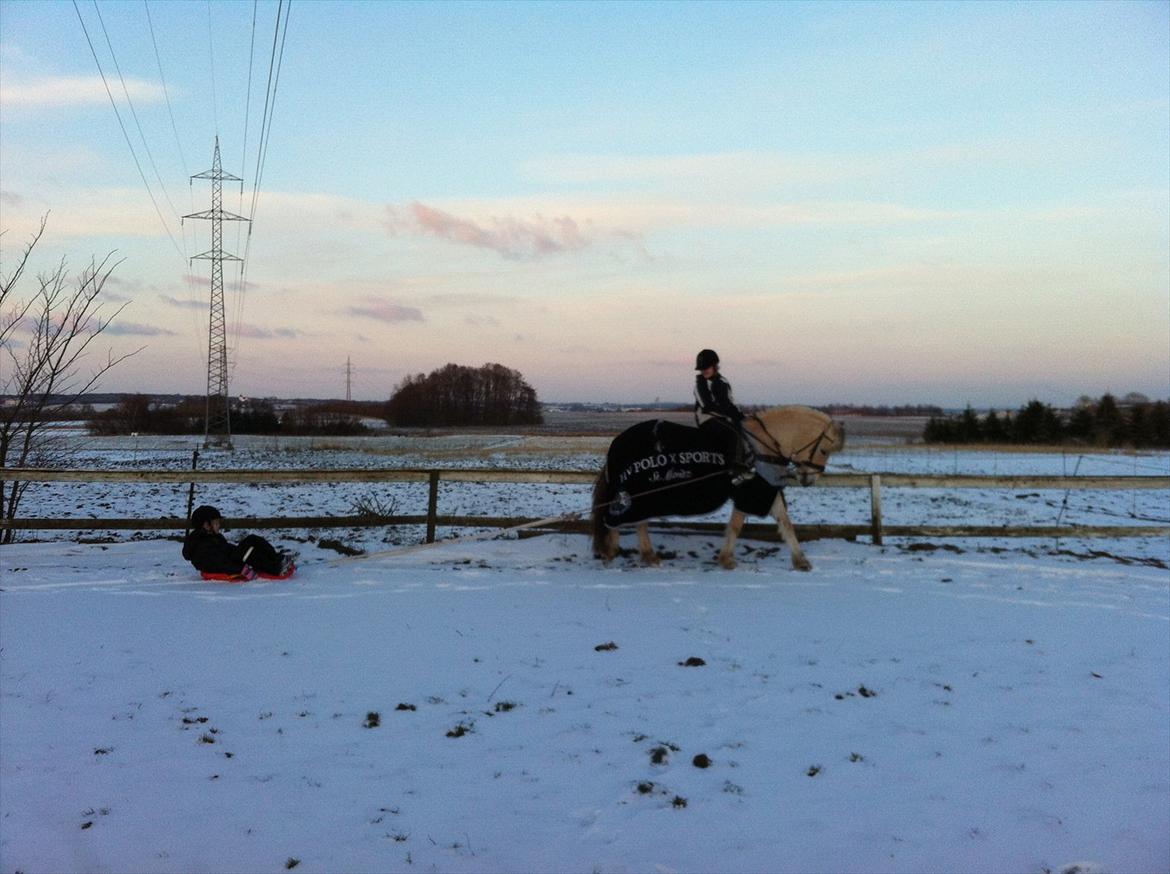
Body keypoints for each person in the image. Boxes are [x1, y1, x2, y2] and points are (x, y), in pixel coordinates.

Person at [693, 349, 755, 483]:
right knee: (733, 432)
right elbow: (707, 406)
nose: (704, 371)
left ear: (714, 366)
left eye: (706, 367)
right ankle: (736, 468)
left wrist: (741, 417)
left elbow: (729, 403)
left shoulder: (723, 382)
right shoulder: (699, 385)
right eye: (702, 369)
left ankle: (748, 460)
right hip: (707, 419)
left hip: (723, 417)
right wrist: (729, 414)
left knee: (745, 429)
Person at [182, 505, 294, 578]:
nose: (219, 526)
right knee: (248, 554)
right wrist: (241, 570)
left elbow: (225, 548)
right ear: (206, 525)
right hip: (230, 565)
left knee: (252, 540)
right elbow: (218, 563)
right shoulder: (201, 545)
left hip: (230, 559)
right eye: (216, 523)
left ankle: (276, 559)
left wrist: (237, 550)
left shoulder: (213, 537)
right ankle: (275, 569)